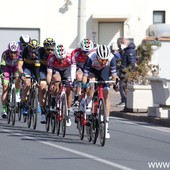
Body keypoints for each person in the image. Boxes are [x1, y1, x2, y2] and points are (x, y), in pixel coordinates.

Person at [82, 44, 118, 139]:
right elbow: (85, 76)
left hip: (104, 70)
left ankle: (106, 124)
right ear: (97, 56)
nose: (103, 62)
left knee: (106, 94)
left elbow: (114, 76)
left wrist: (115, 84)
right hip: (92, 70)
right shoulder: (90, 57)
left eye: (105, 60)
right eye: (101, 60)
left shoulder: (111, 58)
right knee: (92, 83)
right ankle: (89, 103)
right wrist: (85, 85)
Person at [47, 44, 76, 127]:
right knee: (56, 80)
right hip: (56, 70)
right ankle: (53, 99)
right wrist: (49, 83)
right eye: (59, 59)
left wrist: (72, 82)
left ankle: (68, 113)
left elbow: (73, 71)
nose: (61, 61)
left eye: (62, 59)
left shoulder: (69, 57)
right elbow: (49, 73)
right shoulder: (51, 57)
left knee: (69, 90)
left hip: (67, 70)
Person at [17, 39, 41, 116]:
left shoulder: (40, 53)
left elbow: (37, 70)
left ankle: (37, 102)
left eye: (35, 52)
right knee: (27, 83)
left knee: (40, 84)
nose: (33, 54)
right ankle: (24, 103)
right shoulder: (24, 51)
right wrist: (22, 74)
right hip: (26, 68)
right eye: (31, 51)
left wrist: (38, 79)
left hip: (36, 69)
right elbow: (19, 66)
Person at [71, 38, 94, 108]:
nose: (86, 54)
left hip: (90, 68)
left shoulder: (94, 53)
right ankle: (77, 96)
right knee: (79, 76)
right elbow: (73, 67)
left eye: (88, 51)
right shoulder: (75, 52)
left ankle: (90, 99)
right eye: (84, 52)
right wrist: (72, 81)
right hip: (79, 67)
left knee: (92, 80)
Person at [0, 41, 21, 118]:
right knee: (5, 87)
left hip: (16, 68)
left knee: (18, 78)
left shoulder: (20, 54)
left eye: (15, 52)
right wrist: (1, 74)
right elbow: (2, 65)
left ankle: (17, 93)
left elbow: (21, 66)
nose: (13, 54)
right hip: (6, 69)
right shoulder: (5, 54)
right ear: (8, 50)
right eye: (11, 52)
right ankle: (4, 108)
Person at [38, 38, 56, 123]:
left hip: (53, 70)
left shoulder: (56, 53)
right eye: (48, 49)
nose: (50, 51)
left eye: (52, 49)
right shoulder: (39, 52)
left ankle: (55, 103)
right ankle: (42, 110)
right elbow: (36, 66)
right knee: (42, 85)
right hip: (42, 70)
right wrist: (37, 77)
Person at [117, 38, 137, 109]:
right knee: (122, 87)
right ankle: (124, 101)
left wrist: (127, 72)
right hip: (123, 72)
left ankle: (125, 101)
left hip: (126, 73)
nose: (120, 46)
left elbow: (131, 63)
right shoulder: (125, 51)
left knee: (124, 88)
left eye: (121, 44)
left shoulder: (130, 51)